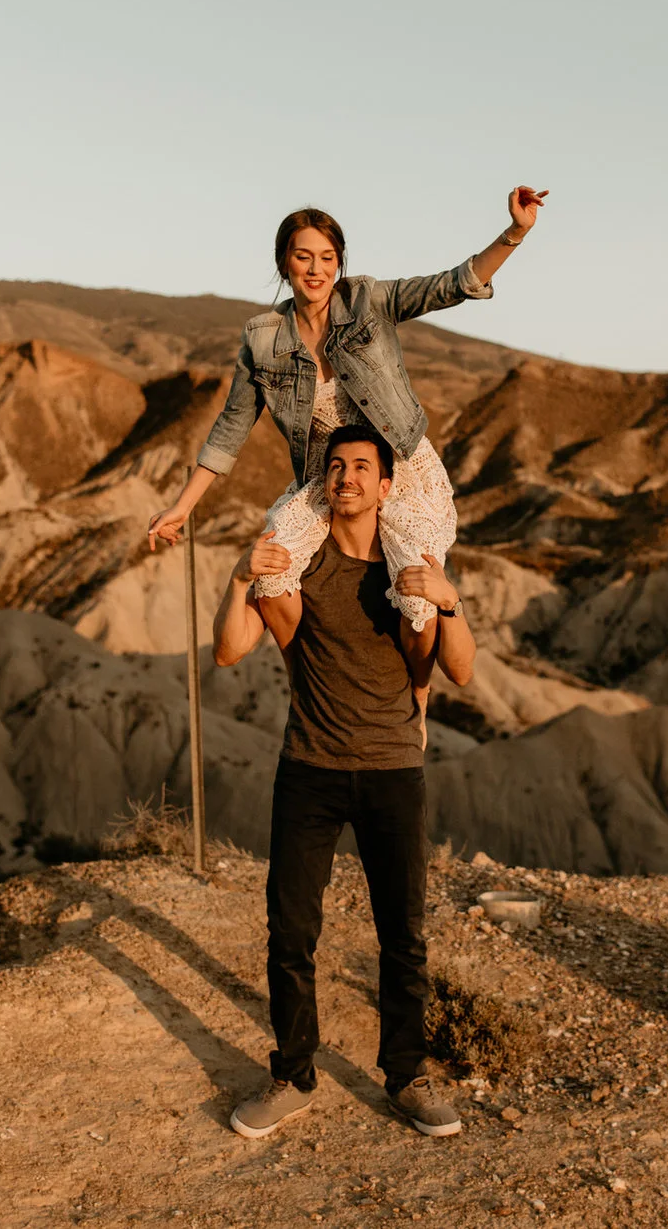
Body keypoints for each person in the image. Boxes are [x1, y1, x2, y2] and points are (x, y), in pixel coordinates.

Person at [207, 423, 477, 1139]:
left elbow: (460, 668)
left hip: (393, 771)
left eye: (362, 466)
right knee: (290, 932)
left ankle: (407, 1076)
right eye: (336, 466)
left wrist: (448, 599)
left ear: (387, 486)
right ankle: (292, 1075)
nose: (346, 476)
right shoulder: (297, 566)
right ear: (323, 482)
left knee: (403, 935)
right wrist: (239, 577)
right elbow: (228, 650)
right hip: (310, 770)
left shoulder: (410, 569)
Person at [145, 187, 547, 633]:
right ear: (284, 262)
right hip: (330, 479)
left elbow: (451, 285)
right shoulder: (262, 339)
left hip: (399, 468)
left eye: (327, 257)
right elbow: (230, 428)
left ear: (339, 263)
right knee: (272, 575)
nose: (316, 269)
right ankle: (303, 665)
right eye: (303, 257)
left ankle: (419, 675)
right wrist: (182, 507)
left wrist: (515, 232)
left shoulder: (367, 300)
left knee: (416, 594)